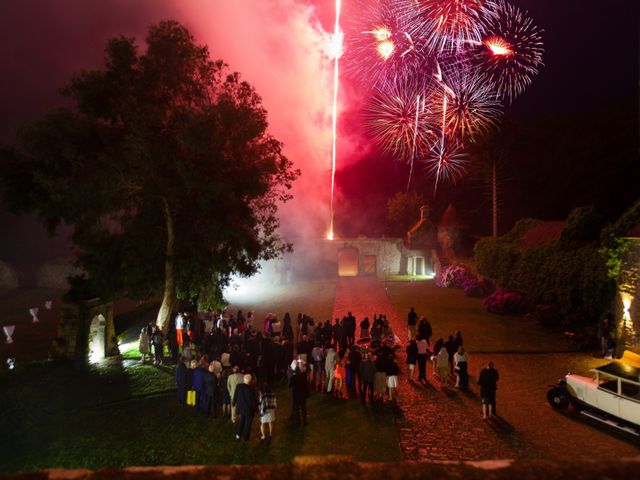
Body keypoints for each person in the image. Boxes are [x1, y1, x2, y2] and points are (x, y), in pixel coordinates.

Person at [232, 374, 258, 442]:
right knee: (247, 424)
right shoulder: (252, 390)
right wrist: (256, 410)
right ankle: (245, 438)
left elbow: (235, 395)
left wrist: (233, 403)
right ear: (251, 381)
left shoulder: (239, 386)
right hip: (249, 410)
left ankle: (238, 434)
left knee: (241, 421)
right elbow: (254, 401)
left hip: (240, 408)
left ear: (244, 379)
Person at [289, 361, 309, 426]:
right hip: (302, 395)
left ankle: (298, 421)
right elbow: (306, 385)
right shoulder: (303, 376)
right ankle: (305, 421)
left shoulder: (293, 377)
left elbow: (290, 385)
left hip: (296, 395)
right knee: (303, 409)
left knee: (297, 409)